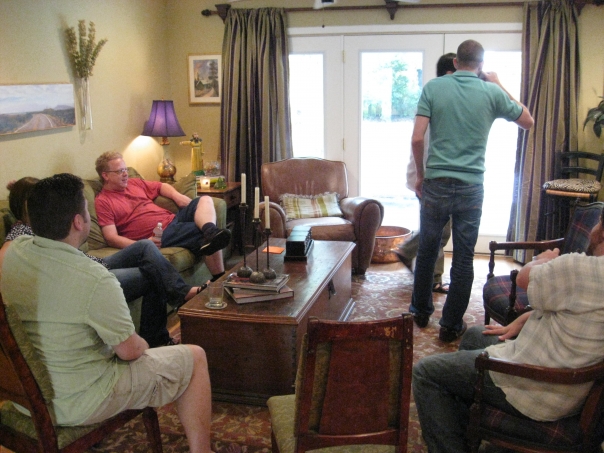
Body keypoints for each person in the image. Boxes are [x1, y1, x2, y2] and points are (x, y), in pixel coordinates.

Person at [0, 173, 217, 453]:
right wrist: (143, 343)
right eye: (86, 210)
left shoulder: (13, 253)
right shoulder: (96, 279)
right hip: (77, 402)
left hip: (25, 398)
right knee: (194, 357)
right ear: (78, 222)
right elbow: (130, 352)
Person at [412, 207, 604, 453]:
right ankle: (466, 432)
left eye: (598, 222)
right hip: (566, 380)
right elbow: (580, 309)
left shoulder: (583, 269)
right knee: (474, 336)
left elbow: (524, 278)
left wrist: (544, 259)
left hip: (539, 388)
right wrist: (524, 319)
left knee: (426, 373)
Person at [409, 39, 534, 341]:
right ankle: (450, 326)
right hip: (471, 187)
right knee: (464, 258)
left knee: (427, 250)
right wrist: (498, 83)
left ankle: (421, 312)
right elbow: (527, 121)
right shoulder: (491, 92)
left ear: (455, 62)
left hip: (436, 183)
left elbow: (417, 138)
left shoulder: (434, 87)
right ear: (481, 64)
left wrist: (421, 176)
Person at [0, 177, 204, 348]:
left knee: (144, 246)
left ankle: (181, 293)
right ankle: (158, 338)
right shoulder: (21, 231)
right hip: (89, 272)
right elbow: (5, 259)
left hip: (93, 261)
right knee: (151, 273)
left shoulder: (47, 223)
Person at [94, 151, 230, 281]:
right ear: (105, 175)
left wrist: (177, 196)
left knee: (205, 199)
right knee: (200, 232)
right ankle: (219, 279)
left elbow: (161, 186)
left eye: (125, 170)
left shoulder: (134, 183)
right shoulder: (103, 201)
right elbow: (111, 237)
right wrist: (142, 245)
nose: (125, 174)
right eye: (120, 171)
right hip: (160, 232)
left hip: (173, 218)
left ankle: (210, 230)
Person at [394, 52, 456, 294]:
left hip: (428, 174)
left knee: (437, 227)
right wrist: (422, 176)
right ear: (452, 70)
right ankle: (415, 258)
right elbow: (420, 140)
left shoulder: (435, 95)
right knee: (439, 229)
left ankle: (427, 270)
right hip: (430, 175)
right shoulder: (441, 97)